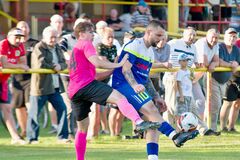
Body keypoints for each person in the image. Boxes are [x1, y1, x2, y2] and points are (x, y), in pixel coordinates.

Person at [68, 21, 161, 160]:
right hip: (86, 86)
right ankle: (139, 122)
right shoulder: (86, 43)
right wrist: (119, 64)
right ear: (81, 34)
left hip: (74, 91)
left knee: (82, 129)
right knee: (120, 97)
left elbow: (96, 76)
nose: (93, 35)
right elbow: (98, 62)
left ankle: (79, 159)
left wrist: (114, 69)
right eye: (90, 32)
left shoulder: (76, 49)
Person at [112, 20, 199, 160]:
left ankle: (153, 158)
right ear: (148, 32)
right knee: (152, 110)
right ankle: (175, 136)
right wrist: (134, 86)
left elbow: (145, 78)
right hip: (122, 84)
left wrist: (156, 96)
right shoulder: (134, 45)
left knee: (154, 123)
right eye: (158, 35)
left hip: (136, 87)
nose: (161, 39)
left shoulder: (150, 52)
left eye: (163, 36)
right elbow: (125, 69)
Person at [26, 26, 69, 144]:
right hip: (41, 86)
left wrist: (60, 66)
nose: (54, 40)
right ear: (44, 37)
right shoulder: (39, 47)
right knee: (35, 113)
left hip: (55, 87)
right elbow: (39, 64)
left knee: (63, 109)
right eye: (51, 37)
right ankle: (32, 138)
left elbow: (63, 63)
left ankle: (62, 137)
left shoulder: (57, 47)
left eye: (55, 37)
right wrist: (54, 67)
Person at [0, 28, 29, 145]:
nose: (18, 40)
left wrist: (18, 66)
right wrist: (18, 66)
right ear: (8, 36)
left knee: (7, 109)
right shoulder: (3, 44)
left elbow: (24, 64)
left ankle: (15, 137)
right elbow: (5, 63)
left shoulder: (20, 46)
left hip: (3, 81)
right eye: (16, 37)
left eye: (20, 37)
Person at [11, 21, 38, 138]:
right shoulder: (12, 45)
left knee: (29, 105)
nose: (23, 29)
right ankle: (24, 130)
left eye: (25, 26)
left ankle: (31, 131)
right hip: (17, 79)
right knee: (19, 106)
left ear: (29, 29)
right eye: (21, 27)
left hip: (30, 79)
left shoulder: (34, 43)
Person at [218, 28, 240, 132]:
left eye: (234, 36)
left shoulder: (236, 49)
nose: (232, 38)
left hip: (236, 77)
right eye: (230, 36)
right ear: (225, 36)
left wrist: (235, 64)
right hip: (226, 78)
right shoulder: (220, 46)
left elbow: (238, 63)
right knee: (227, 103)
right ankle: (223, 127)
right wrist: (232, 64)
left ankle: (231, 127)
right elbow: (219, 61)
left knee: (237, 103)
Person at [176, 53, 193, 119]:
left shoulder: (189, 71)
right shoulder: (180, 72)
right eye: (184, 61)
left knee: (188, 113)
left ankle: (186, 127)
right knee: (182, 113)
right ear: (179, 62)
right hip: (182, 95)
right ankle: (180, 127)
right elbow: (178, 83)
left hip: (189, 95)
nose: (186, 62)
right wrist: (181, 96)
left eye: (187, 60)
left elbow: (191, 80)